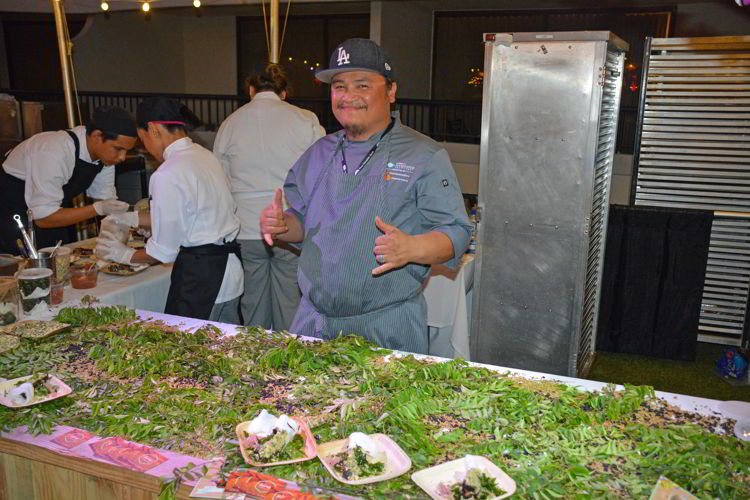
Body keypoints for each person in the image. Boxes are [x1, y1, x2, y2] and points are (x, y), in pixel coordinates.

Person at [259, 38, 473, 353]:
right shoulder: (319, 152)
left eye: (362, 85)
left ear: (391, 91)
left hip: (386, 328)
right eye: (339, 87)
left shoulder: (423, 155)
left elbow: (456, 232)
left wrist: (412, 247)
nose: (349, 97)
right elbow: (303, 223)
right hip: (313, 324)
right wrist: (282, 225)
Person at [95, 98, 243, 323]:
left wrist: (123, 254)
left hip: (204, 281)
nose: (146, 148)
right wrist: (132, 218)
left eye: (143, 139)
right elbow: (192, 215)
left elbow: (163, 251)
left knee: (196, 354)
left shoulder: (167, 173)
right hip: (228, 272)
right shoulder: (205, 156)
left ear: (152, 129)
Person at [214, 63, 325, 331]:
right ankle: (288, 362)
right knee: (290, 301)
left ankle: (255, 363)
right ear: (284, 93)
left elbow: (220, 179)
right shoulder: (305, 119)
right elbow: (322, 171)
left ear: (251, 90)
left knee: (253, 303)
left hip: (247, 226)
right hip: (290, 224)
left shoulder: (230, 123)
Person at [0, 106, 137, 254]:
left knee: (60, 259)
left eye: (126, 151)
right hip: (13, 214)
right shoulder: (53, 151)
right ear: (97, 136)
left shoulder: (105, 158)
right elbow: (43, 218)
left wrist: (129, 225)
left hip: (52, 210)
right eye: (118, 149)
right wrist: (97, 209)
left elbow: (106, 201)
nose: (122, 157)